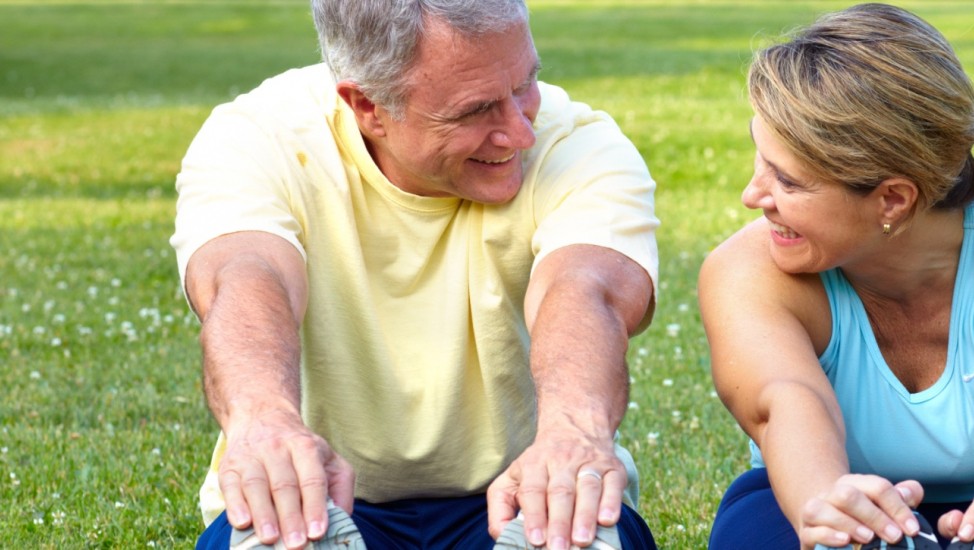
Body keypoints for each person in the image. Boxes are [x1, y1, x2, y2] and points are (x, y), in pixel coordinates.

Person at [168, 0, 662, 548]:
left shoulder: (580, 145)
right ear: (367, 106)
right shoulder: (258, 139)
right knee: (278, 531)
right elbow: (248, 276)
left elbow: (585, 290)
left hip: (523, 494)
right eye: (475, 111)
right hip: (325, 498)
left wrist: (575, 432)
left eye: (526, 84)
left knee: (579, 532)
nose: (521, 133)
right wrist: (265, 423)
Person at [701, 4, 974, 549]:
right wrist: (832, 510)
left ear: (894, 200)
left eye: (787, 181)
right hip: (805, 495)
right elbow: (781, 403)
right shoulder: (748, 270)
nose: (753, 197)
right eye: (761, 162)